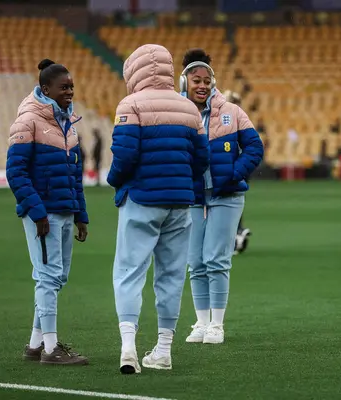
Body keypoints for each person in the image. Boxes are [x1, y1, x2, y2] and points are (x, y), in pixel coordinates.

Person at [109, 44, 209, 373]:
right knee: (171, 276)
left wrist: (115, 181)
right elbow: (202, 160)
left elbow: (123, 156)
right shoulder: (189, 109)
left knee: (129, 273)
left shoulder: (131, 105)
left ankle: (128, 348)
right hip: (180, 203)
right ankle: (164, 350)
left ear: (134, 70)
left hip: (142, 199)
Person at [6, 59, 89, 366]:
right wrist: (37, 212)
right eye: (63, 87)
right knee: (49, 278)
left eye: (71, 87)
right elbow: (15, 172)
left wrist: (81, 214)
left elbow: (74, 173)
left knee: (56, 278)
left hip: (65, 212)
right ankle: (52, 350)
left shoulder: (68, 123)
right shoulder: (28, 121)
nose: (69, 91)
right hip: (44, 215)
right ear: (45, 89)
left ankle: (35, 345)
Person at [181, 49, 264, 344]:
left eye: (206, 80)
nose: (202, 86)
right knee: (195, 262)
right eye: (196, 81)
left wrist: (234, 174)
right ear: (185, 83)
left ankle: (217, 325)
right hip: (192, 197)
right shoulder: (177, 113)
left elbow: (255, 148)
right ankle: (201, 323)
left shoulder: (232, 112)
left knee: (216, 260)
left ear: (213, 82)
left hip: (226, 196)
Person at [223, 90, 253, 255]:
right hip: (240, 166)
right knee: (235, 201)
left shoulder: (222, 119)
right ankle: (238, 232)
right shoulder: (242, 119)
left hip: (228, 167)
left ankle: (235, 236)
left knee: (225, 204)